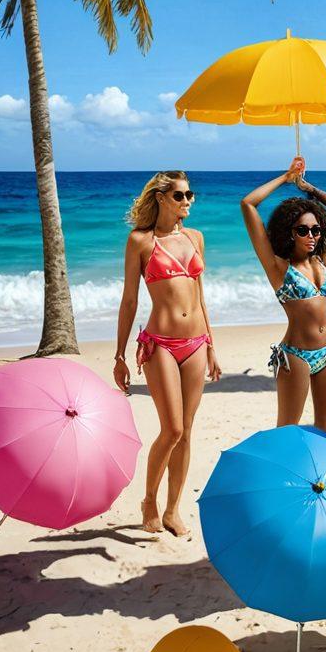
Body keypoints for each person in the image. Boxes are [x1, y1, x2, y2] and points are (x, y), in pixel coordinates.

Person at [114, 171, 220, 535]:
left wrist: (211, 346)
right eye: (179, 196)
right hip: (159, 344)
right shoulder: (141, 241)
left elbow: (200, 296)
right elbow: (129, 300)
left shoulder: (195, 238)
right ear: (161, 198)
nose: (188, 201)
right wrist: (119, 354)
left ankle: (173, 510)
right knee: (172, 428)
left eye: (191, 195)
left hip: (195, 344)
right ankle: (149, 501)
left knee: (187, 432)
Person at [240, 159, 326, 430]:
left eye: (315, 229)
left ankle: (317, 475)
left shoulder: (323, 260)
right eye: (302, 230)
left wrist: (307, 188)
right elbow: (248, 205)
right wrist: (285, 178)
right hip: (296, 356)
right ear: (289, 233)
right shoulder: (278, 267)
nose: (311, 235)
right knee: (287, 430)